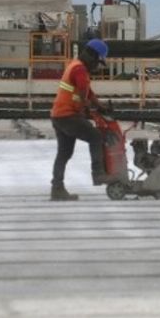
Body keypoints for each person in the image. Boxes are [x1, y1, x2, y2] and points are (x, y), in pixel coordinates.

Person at [49, 38, 111, 201]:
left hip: (58, 115)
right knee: (96, 136)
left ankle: (57, 189)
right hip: (68, 115)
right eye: (98, 62)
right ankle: (98, 174)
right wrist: (89, 110)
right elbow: (84, 94)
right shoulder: (80, 70)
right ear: (93, 57)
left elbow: (88, 93)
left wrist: (99, 106)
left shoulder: (75, 66)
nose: (97, 66)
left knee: (64, 154)